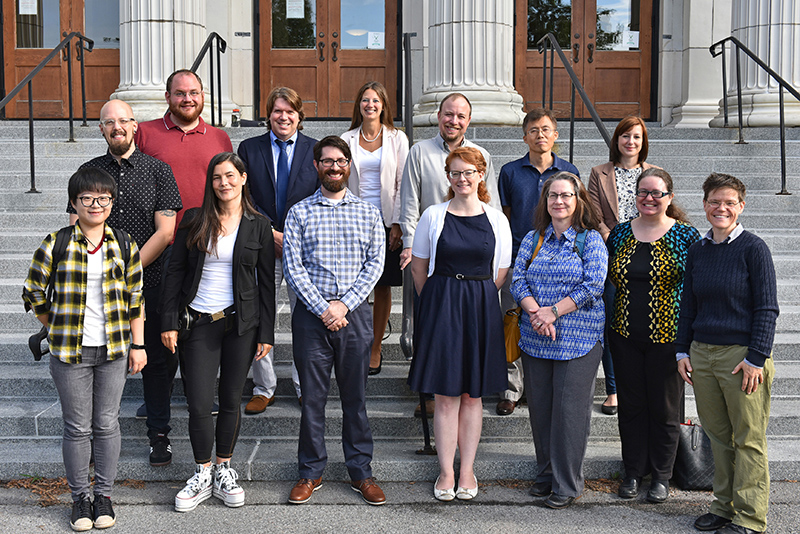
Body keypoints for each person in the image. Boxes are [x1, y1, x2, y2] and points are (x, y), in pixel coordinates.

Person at [25, 167, 146, 531]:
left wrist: (138, 345)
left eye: (103, 198)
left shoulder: (124, 244)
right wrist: (56, 324)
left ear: (111, 202)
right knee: (77, 427)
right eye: (87, 199)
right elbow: (33, 290)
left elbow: (136, 299)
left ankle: (104, 496)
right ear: (74, 203)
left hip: (113, 349)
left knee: (107, 424)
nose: (96, 205)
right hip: (70, 353)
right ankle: (80, 499)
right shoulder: (56, 241)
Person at [70, 99, 183, 468]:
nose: (116, 127)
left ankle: (159, 436)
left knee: (154, 361)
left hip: (148, 282)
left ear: (135, 126)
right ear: (101, 129)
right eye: (108, 122)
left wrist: (125, 269)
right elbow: (76, 226)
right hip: (95, 288)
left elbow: (165, 232)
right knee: (98, 359)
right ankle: (91, 438)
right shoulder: (88, 171)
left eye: (123, 121)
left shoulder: (158, 170)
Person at [161, 152, 276, 512]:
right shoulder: (195, 219)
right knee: (198, 402)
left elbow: (267, 285)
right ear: (210, 183)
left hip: (241, 324)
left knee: (230, 399)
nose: (223, 183)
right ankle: (202, 472)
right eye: (216, 178)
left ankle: (224, 469)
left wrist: (267, 333)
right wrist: (167, 321)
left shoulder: (258, 224)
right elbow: (174, 272)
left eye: (230, 176)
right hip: (198, 323)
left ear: (243, 178)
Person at [133, 69, 233, 465]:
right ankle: (157, 414)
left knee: (197, 337)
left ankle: (199, 404)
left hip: (206, 254)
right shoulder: (146, 133)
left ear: (203, 95)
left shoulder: (220, 137)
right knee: (161, 339)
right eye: (180, 93)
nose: (187, 99)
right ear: (167, 96)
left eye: (194, 92)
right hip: (161, 252)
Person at [283, 136, 387, 506]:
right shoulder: (298, 213)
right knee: (312, 400)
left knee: (354, 399)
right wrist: (323, 307)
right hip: (312, 319)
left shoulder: (368, 212)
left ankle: (361, 471)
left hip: (355, 316)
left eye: (341, 161)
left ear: (348, 166)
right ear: (317, 166)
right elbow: (293, 268)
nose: (334, 167)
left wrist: (343, 305)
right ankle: (310, 472)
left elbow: (375, 265)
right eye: (327, 161)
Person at [407, 147, 511, 501]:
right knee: (445, 395)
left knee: (473, 395)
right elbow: (420, 269)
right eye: (455, 173)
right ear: (447, 177)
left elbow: (500, 273)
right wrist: (442, 298)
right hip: (442, 306)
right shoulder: (432, 216)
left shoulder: (497, 219)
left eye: (469, 172)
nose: (462, 178)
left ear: (481, 175)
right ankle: (446, 472)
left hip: (480, 306)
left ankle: (467, 469)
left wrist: (472, 294)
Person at [676, 173, 778, 534]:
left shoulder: (754, 248)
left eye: (729, 202)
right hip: (702, 355)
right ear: (704, 206)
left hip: (741, 359)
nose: (722, 208)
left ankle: (749, 517)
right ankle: (723, 506)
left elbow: (767, 309)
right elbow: (687, 304)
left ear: (741, 207)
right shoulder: (698, 250)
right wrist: (681, 351)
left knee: (748, 439)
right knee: (718, 438)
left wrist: (756, 358)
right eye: (715, 201)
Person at [398, 92, 499, 416]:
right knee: (427, 326)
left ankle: (467, 384)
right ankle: (429, 390)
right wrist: (410, 247)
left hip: (470, 256)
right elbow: (410, 204)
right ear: (439, 115)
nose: (453, 120)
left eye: (460, 116)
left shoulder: (481, 155)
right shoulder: (419, 152)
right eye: (448, 114)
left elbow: (492, 206)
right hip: (430, 255)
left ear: (468, 120)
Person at [510, 172, 607, 509]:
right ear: (545, 201)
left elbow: (593, 286)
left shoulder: (590, 240)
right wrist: (537, 313)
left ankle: (567, 483)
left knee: (569, 412)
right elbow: (517, 278)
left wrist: (552, 312)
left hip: (578, 341)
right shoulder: (533, 238)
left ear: (578, 200)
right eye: (553, 195)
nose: (559, 201)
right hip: (536, 338)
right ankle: (547, 473)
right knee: (541, 409)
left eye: (566, 195)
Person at [606, 168, 700, 503]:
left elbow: (695, 289)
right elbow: (610, 281)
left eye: (656, 193)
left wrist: (689, 342)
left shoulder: (686, 237)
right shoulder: (619, 234)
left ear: (669, 198)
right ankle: (633, 471)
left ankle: (661, 474)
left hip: (669, 340)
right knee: (631, 406)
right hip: (625, 334)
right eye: (643, 192)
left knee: (665, 409)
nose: (649, 198)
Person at [238, 86, 317, 412]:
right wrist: (269, 231)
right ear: (268, 114)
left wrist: (294, 235)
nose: (283, 117)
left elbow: (320, 196)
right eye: (277, 111)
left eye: (290, 112)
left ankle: (305, 386)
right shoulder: (249, 148)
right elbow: (244, 196)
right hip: (261, 243)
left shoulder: (315, 149)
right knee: (260, 316)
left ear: (299, 116)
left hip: (303, 248)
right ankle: (264, 386)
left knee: (305, 319)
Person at [496, 108, 579, 416]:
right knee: (515, 322)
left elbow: (575, 215)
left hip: (558, 261)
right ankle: (512, 389)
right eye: (534, 130)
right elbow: (503, 217)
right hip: (520, 258)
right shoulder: (510, 172)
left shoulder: (568, 171)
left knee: (548, 320)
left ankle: (540, 387)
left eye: (546, 130)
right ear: (525, 136)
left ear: (555, 136)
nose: (540, 135)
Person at [588, 116, 659, 416]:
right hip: (612, 254)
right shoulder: (598, 173)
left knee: (645, 319)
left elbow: (661, 209)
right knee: (613, 323)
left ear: (643, 143)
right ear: (616, 139)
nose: (631, 141)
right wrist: (614, 238)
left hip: (649, 256)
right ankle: (614, 390)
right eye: (625, 136)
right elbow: (592, 211)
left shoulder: (655, 174)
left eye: (637, 137)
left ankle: (645, 384)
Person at [341, 81, 409, 374]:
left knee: (381, 286)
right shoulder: (347, 138)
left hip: (385, 222)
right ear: (359, 105)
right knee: (355, 286)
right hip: (353, 221)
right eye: (365, 100)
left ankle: (376, 346)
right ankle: (355, 342)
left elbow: (403, 182)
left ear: (383, 106)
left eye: (375, 100)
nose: (370, 105)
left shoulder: (397, 138)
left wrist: (397, 223)